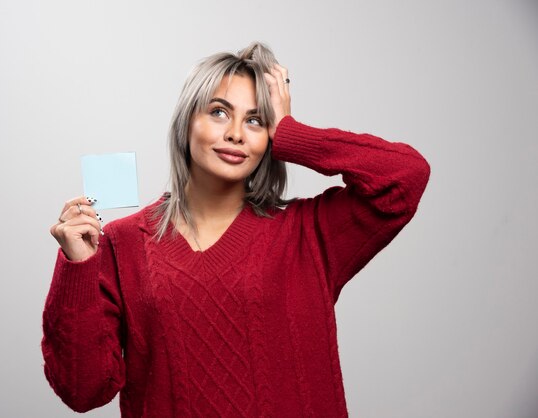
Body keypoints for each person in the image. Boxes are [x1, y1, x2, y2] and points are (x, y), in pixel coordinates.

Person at [42, 41, 430, 417]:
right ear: (187, 121)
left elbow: (405, 175)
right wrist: (77, 268)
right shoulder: (123, 243)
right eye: (219, 112)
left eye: (256, 120)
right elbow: (83, 390)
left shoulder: (309, 233)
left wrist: (293, 132)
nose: (236, 134)